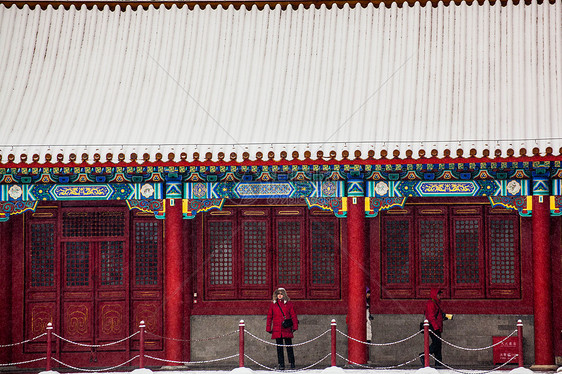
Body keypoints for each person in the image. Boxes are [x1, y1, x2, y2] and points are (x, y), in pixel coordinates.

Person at [266, 288, 298, 370]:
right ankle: (281, 364)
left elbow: (293, 315)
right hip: (277, 328)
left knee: (289, 346)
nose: (279, 295)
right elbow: (269, 317)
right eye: (278, 294)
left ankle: (292, 363)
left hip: (286, 327)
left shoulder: (288, 304)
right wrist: (268, 327)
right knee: (279, 347)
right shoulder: (273, 304)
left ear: (284, 295)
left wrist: (295, 326)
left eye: (281, 294)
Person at [420, 288, 446, 367]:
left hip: (436, 326)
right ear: (435, 295)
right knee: (436, 343)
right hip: (433, 327)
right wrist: (436, 327)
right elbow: (431, 317)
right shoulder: (431, 303)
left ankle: (438, 362)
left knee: (438, 345)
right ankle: (424, 355)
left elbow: (436, 315)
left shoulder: (435, 303)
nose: (440, 296)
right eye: (439, 295)